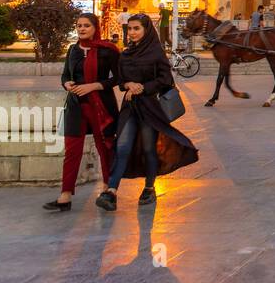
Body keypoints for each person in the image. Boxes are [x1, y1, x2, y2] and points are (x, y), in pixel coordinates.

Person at [96, 13, 199, 211]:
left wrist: (143, 87)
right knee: (123, 146)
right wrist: (128, 84)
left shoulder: (156, 53)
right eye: (131, 29)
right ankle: (111, 192)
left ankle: (149, 188)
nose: (133, 32)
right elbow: (120, 82)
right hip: (130, 108)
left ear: (146, 30)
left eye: (137, 28)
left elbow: (165, 80)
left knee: (149, 148)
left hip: (150, 108)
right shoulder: (125, 55)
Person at [45, 13, 119, 212]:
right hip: (76, 106)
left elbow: (118, 78)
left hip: (101, 107)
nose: (82, 29)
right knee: (72, 151)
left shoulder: (108, 50)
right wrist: (66, 84)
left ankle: (107, 190)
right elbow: (65, 75)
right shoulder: (73, 50)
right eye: (78, 26)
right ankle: (65, 195)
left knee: (105, 148)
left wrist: (94, 86)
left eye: (86, 25)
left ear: (95, 27)